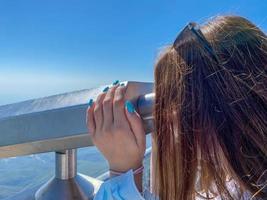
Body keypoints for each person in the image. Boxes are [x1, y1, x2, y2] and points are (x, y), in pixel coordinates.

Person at [86, 15, 267, 200]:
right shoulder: (243, 184)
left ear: (232, 105)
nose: (171, 118)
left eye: (182, 103)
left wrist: (122, 174)